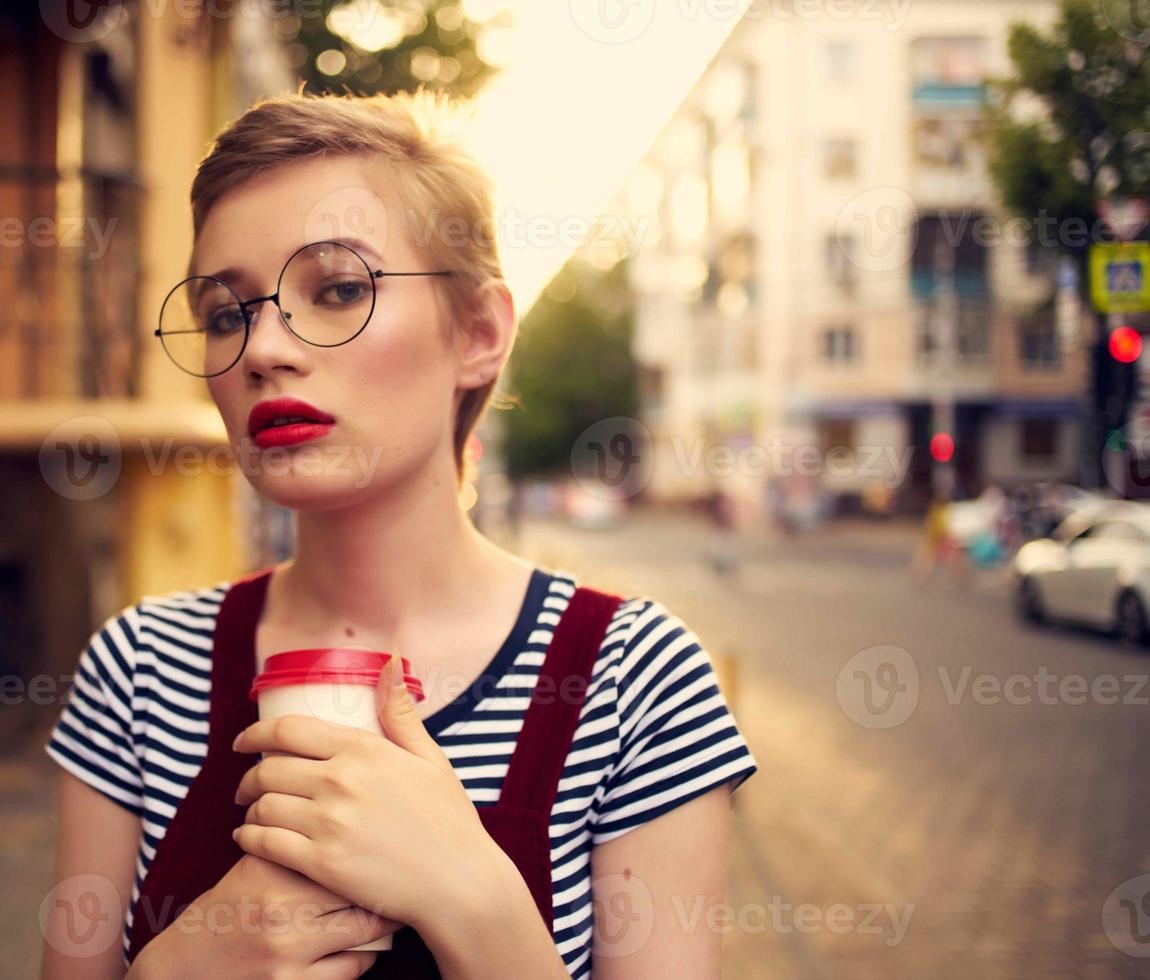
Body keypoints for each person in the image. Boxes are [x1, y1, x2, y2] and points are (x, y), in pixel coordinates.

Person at [41, 88, 757, 980]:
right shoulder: (140, 671)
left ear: (479, 333)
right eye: (226, 311)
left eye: (337, 288)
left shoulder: (632, 681)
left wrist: (470, 897)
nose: (262, 347)